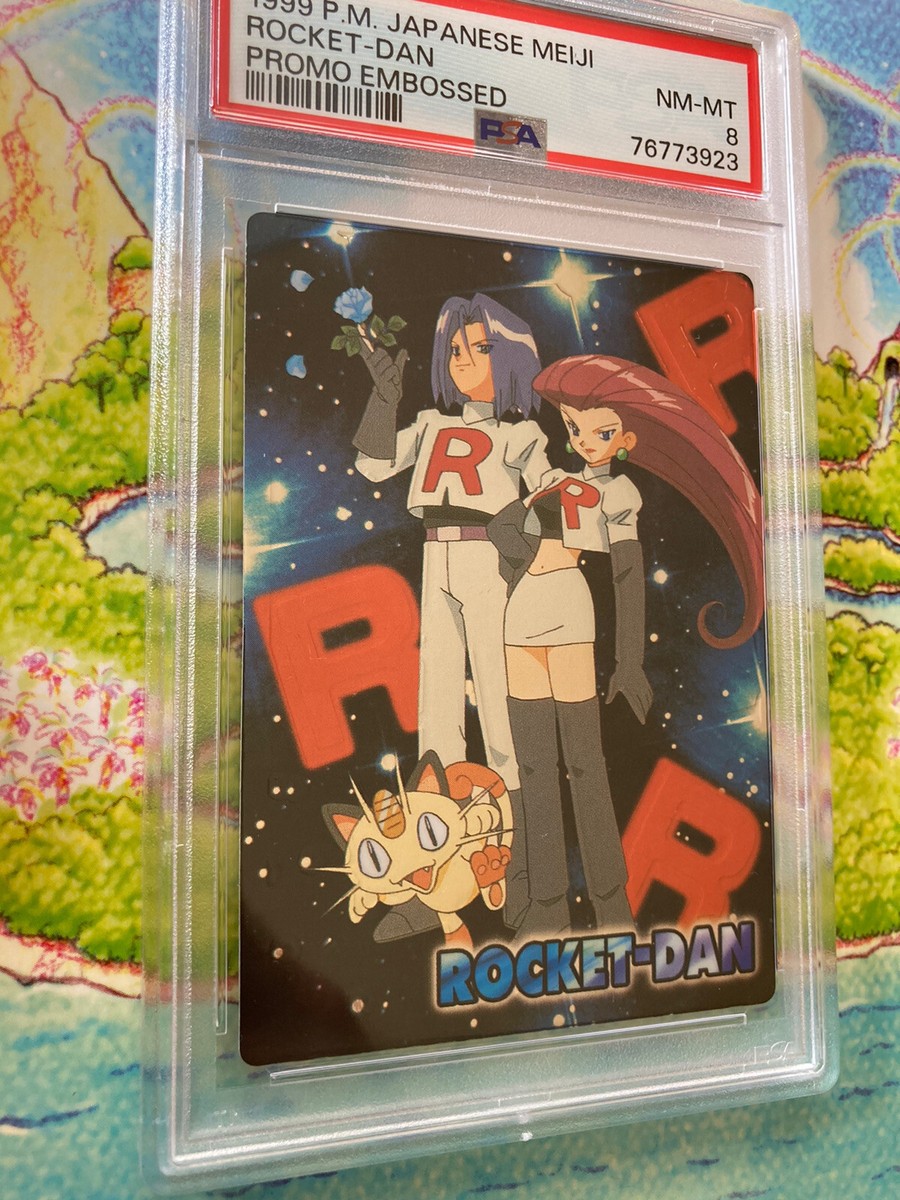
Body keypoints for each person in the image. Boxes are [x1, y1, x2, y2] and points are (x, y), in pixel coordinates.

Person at [489, 355, 765, 939]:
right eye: (575, 428)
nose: (585, 441)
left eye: (602, 432)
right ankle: (547, 905)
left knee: (584, 764)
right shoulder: (553, 481)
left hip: (570, 616)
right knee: (534, 766)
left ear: (628, 440)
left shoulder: (621, 495)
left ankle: (612, 906)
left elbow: (626, 576)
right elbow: (500, 530)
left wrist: (629, 663)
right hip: (520, 616)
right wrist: (529, 546)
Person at [353, 295, 552, 935]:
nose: (465, 361)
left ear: (511, 358)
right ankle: (436, 873)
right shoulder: (431, 425)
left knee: (499, 706)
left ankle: (517, 867)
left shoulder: (520, 434)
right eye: (457, 350)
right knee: (436, 707)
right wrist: (383, 397)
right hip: (434, 555)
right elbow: (373, 464)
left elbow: (550, 493)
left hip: (490, 558)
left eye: (481, 348)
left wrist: (529, 542)